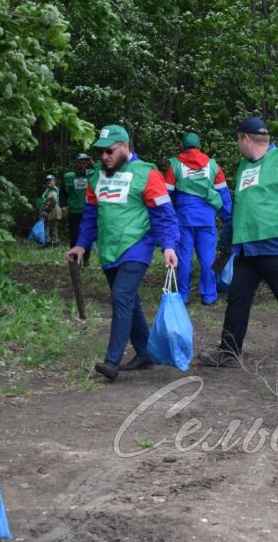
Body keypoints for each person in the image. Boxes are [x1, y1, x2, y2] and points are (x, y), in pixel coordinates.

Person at [197, 116, 278, 378]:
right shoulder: (245, 167)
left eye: (237, 140)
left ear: (245, 138)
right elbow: (241, 208)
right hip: (248, 251)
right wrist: (227, 241)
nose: (237, 145)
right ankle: (229, 352)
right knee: (237, 299)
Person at [65, 124, 179, 380]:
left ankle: (112, 362)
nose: (105, 157)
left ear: (125, 147)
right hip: (108, 249)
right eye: (101, 152)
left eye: (110, 151)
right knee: (128, 300)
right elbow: (91, 215)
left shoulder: (146, 174)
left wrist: (169, 245)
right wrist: (82, 244)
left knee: (121, 296)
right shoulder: (96, 177)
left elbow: (164, 215)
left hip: (137, 246)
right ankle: (145, 353)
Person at [163, 132, 232, 305]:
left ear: (182, 147)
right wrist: (227, 217)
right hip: (207, 217)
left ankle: (184, 296)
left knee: (184, 258)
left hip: (184, 217)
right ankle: (209, 295)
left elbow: (165, 196)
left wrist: (166, 218)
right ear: (200, 147)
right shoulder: (212, 166)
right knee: (208, 258)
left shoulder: (175, 165)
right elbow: (223, 194)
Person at [61, 153, 93, 264]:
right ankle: (74, 260)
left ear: (87, 164)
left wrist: (92, 163)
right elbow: (63, 193)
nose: (82, 165)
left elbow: (103, 170)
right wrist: (63, 204)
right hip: (74, 211)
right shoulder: (69, 177)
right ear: (76, 163)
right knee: (74, 236)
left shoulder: (92, 174)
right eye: (80, 162)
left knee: (87, 235)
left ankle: (86, 260)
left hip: (88, 210)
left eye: (84, 162)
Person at [37, 174, 61, 247]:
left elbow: (52, 201)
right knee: (49, 227)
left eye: (50, 180)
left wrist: (45, 211)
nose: (48, 182)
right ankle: (50, 242)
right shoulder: (48, 190)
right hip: (50, 210)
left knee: (51, 227)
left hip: (52, 211)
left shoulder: (53, 190)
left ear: (54, 181)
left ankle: (51, 243)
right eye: (47, 180)